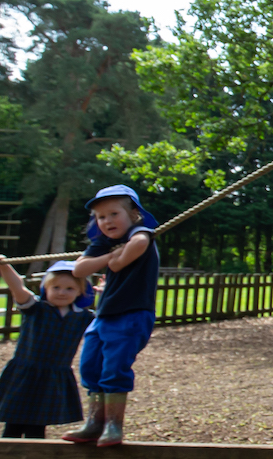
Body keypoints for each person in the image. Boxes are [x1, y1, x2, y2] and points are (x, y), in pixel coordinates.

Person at [63, 185, 162, 447]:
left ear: (133, 213)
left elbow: (140, 243)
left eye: (113, 213)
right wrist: (110, 256)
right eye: (101, 217)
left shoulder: (140, 232)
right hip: (104, 315)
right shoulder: (103, 244)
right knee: (90, 366)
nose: (107, 221)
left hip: (131, 314)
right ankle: (94, 423)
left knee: (113, 368)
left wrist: (118, 261)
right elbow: (79, 269)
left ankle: (113, 426)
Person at [0, 258, 96, 438]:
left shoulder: (83, 317)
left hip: (53, 376)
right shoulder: (35, 308)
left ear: (80, 292)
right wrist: (4, 266)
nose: (62, 292)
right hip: (24, 374)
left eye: (69, 289)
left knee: (37, 426)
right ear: (46, 289)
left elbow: (109, 317)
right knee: (13, 423)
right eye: (56, 287)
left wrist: (106, 291)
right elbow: (17, 286)